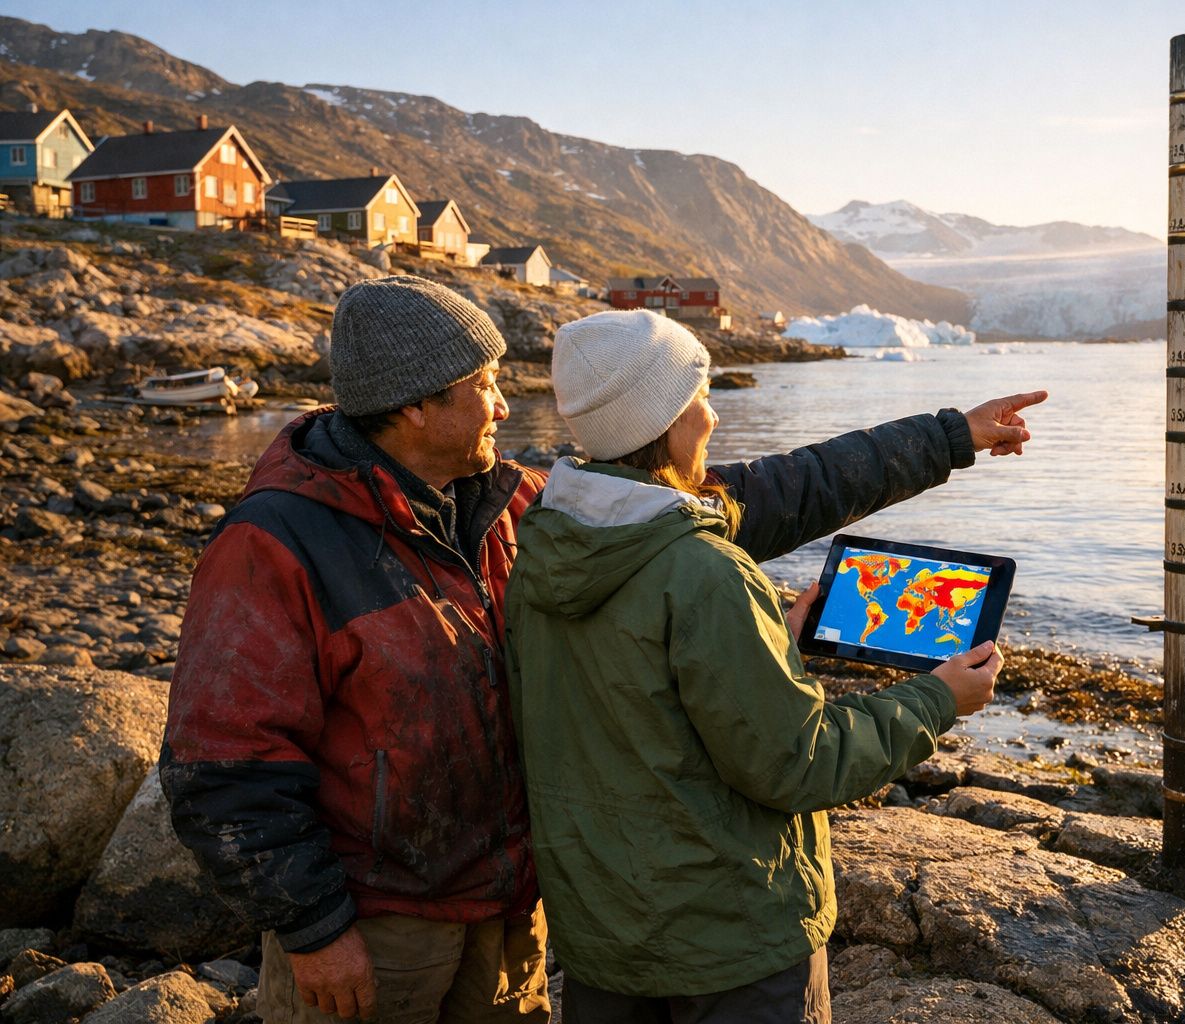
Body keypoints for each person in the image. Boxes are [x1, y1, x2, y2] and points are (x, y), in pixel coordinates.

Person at [161, 277, 1045, 1024]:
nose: (503, 405)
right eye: (483, 386)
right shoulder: (279, 543)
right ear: (416, 406)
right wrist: (314, 928)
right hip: (379, 927)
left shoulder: (530, 514)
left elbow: (771, 494)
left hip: (518, 915)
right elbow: (223, 766)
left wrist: (948, 439)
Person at [503, 309, 1038, 1023]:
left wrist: (766, 640)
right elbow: (799, 762)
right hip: (732, 946)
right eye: (699, 397)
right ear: (663, 420)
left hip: (607, 939)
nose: (713, 416)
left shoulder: (543, 550)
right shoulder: (705, 570)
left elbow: (633, 705)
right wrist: (937, 699)